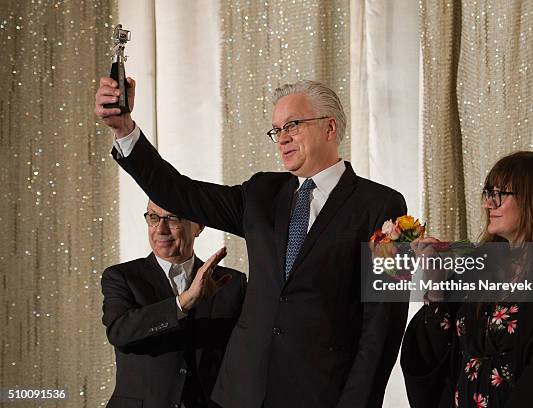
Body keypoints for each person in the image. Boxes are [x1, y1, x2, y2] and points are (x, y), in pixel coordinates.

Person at [94, 77, 408, 407]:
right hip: (240, 392)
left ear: (330, 128)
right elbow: (180, 193)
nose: (282, 138)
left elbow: (382, 325)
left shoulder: (383, 206)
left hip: (319, 393)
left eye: (293, 125)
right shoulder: (262, 193)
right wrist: (124, 130)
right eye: (276, 130)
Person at [401, 151, 533, 407]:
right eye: (488, 194)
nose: (488, 204)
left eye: (500, 194)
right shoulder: (478, 266)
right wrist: (436, 286)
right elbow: (440, 352)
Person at [101, 200, 246, 408]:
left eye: (172, 218)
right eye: (153, 218)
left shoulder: (231, 283)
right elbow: (119, 332)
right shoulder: (121, 277)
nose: (160, 229)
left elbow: (251, 353)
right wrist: (183, 303)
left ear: (199, 226)